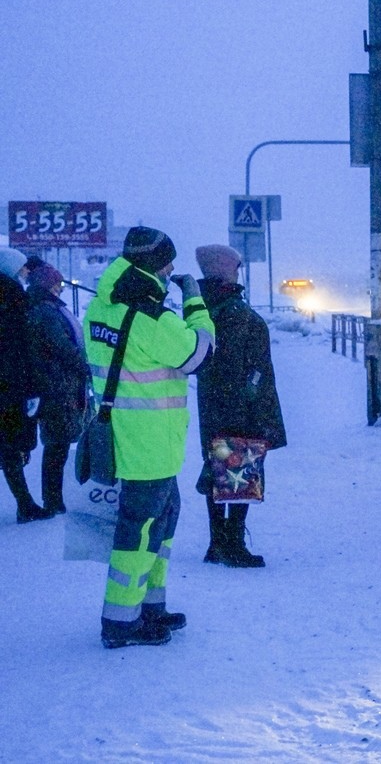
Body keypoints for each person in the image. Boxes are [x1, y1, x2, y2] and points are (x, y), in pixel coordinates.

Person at [85, 227, 214, 649]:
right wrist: (194, 301)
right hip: (149, 443)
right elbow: (199, 352)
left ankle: (149, 608)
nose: (172, 269)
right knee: (140, 532)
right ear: (152, 266)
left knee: (162, 523)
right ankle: (121, 621)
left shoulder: (100, 309)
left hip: (130, 436)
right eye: (167, 263)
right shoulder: (150, 317)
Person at [194, 244, 286, 568]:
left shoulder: (202, 309)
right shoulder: (237, 315)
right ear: (226, 270)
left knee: (217, 467)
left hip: (213, 403)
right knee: (240, 471)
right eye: (236, 267)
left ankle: (217, 542)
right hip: (242, 406)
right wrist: (252, 399)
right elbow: (248, 367)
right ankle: (232, 545)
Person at [26, 263, 91, 515]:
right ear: (47, 285)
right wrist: (85, 366)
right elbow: (62, 348)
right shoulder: (46, 312)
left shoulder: (44, 309)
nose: (60, 288)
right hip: (57, 385)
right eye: (57, 284)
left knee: (58, 443)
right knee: (57, 444)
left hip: (57, 383)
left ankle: (54, 498)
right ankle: (53, 500)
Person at [0, 247, 49, 523]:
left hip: (7, 382)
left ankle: (25, 503)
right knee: (10, 444)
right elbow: (23, 348)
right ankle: (25, 504)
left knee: (8, 445)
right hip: (11, 385)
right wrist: (32, 385)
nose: (25, 272)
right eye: (21, 268)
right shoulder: (14, 298)